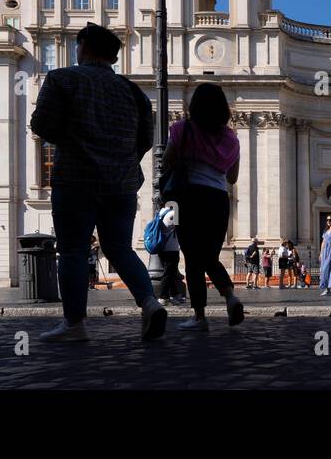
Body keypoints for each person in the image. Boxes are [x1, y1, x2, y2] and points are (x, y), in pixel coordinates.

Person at [30, 22, 165, 343]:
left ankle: (75, 325)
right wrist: (119, 155)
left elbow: (41, 124)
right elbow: (146, 139)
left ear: (84, 47)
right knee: (119, 248)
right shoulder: (134, 91)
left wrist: (76, 140)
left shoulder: (62, 78)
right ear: (113, 56)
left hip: (76, 179)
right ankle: (149, 302)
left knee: (74, 251)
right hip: (121, 183)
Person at [165, 82, 244, 330]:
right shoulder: (232, 138)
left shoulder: (182, 129)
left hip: (190, 197)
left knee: (193, 259)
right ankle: (231, 297)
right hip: (219, 200)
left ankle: (199, 317)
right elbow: (232, 177)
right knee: (209, 255)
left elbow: (167, 161)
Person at [156, 204, 186, 304]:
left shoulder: (160, 212)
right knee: (168, 273)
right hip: (171, 248)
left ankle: (175, 294)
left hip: (162, 247)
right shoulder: (174, 213)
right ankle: (163, 297)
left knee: (171, 272)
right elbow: (180, 229)